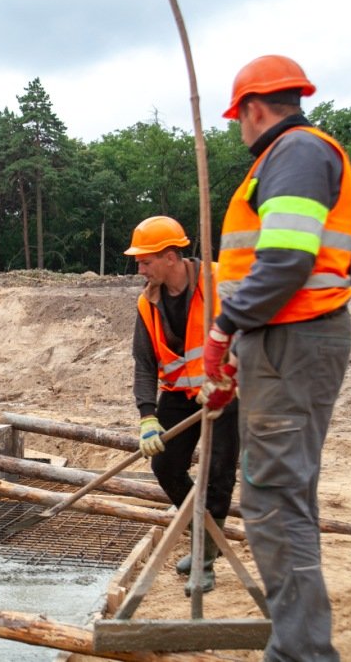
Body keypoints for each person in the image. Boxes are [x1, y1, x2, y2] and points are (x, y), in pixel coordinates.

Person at [205, 55, 351, 661]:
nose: (238, 130)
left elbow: (287, 260)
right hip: (283, 340)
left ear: (252, 109)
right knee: (284, 495)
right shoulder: (294, 155)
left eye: (237, 118)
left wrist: (225, 327)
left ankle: (300, 654)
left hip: (293, 337)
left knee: (272, 498)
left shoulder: (293, 153)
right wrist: (245, 345)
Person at [126, 216, 240, 595]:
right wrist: (147, 416)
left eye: (145, 261)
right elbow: (145, 363)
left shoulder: (220, 281)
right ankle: (207, 538)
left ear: (171, 256)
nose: (139, 269)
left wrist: (226, 376)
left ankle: (204, 558)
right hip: (179, 393)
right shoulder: (148, 302)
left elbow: (255, 331)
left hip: (226, 390)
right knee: (166, 465)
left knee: (218, 470)